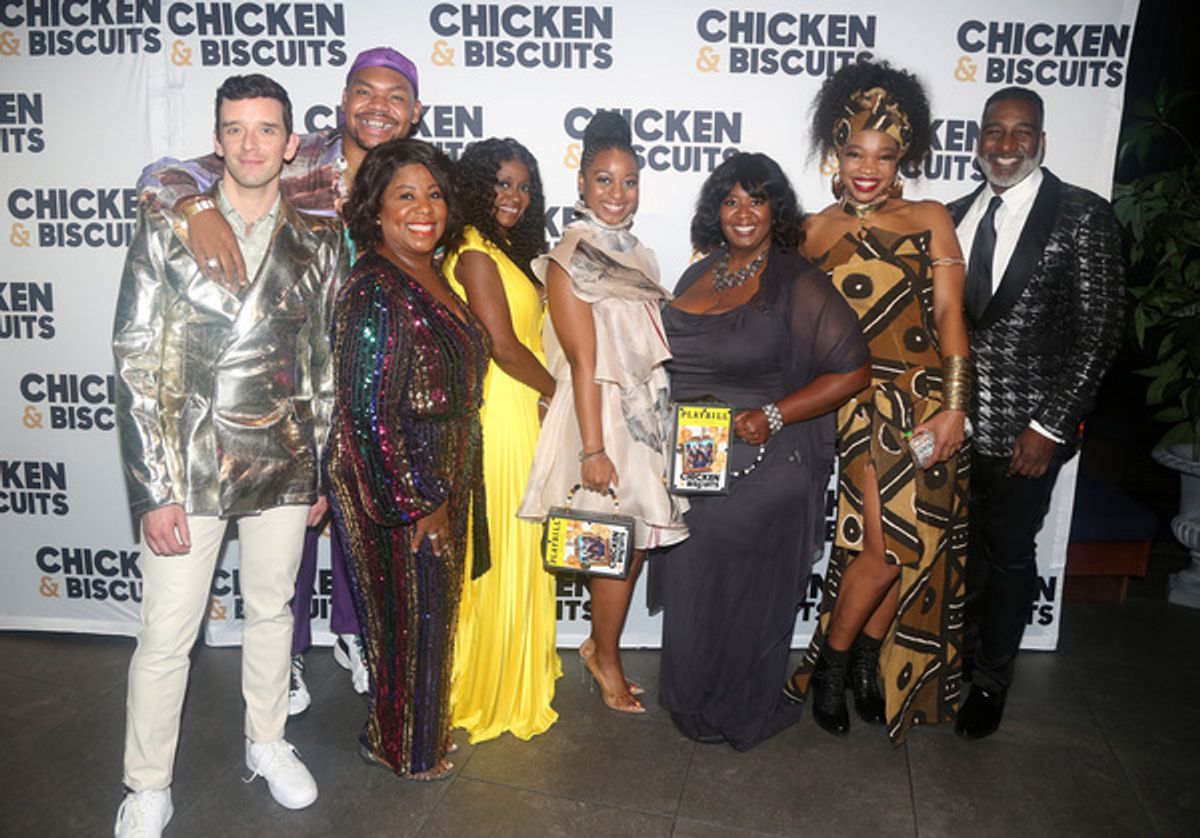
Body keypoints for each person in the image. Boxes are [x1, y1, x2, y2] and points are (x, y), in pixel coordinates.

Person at [138, 46, 425, 712]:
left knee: (367, 515)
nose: (378, 107)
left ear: (416, 111)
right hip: (294, 371)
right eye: (365, 92)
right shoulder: (297, 156)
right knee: (290, 530)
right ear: (343, 100)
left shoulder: (419, 173)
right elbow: (162, 173)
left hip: (382, 372)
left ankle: (356, 635)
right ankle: (288, 658)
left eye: (395, 97)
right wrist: (196, 209)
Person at [111, 74, 346, 837]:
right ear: (216, 141)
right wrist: (153, 490)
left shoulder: (319, 239)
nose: (251, 144)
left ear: (290, 143)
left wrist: (317, 468)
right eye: (236, 129)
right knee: (167, 635)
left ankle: (268, 741)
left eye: (266, 129)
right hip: (188, 462)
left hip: (283, 456)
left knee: (272, 611)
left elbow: (322, 367)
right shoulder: (169, 226)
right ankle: (146, 784)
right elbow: (136, 361)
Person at [650, 153, 870, 748]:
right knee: (696, 581)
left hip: (764, 465)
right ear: (715, 211)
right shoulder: (699, 273)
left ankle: (740, 706)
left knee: (743, 589)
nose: (743, 212)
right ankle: (696, 698)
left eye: (756, 199)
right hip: (696, 462)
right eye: (730, 201)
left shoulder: (795, 280)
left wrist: (774, 415)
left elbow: (853, 371)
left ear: (777, 209)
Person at [784, 60, 972, 745]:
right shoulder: (810, 231)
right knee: (886, 546)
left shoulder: (929, 218)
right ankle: (832, 666)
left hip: (927, 404)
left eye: (885, 155)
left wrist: (955, 406)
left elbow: (949, 315)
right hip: (858, 405)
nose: (868, 169)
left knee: (909, 545)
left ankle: (864, 662)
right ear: (835, 152)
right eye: (856, 153)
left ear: (904, 158)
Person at [947, 87, 1125, 739]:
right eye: (994, 130)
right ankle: (957, 660)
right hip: (953, 428)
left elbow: (1101, 330)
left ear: (1041, 142)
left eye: (1021, 131)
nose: (1005, 144)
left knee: (1009, 558)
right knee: (959, 554)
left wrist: (1050, 425)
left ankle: (990, 681)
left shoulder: (1083, 215)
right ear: (978, 141)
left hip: (1028, 437)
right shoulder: (953, 215)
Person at [327, 139, 491, 780]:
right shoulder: (375, 287)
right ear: (376, 209)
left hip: (444, 465)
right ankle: (401, 747)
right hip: (398, 476)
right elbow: (367, 414)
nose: (424, 209)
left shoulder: (431, 272)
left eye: (434, 195)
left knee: (430, 614)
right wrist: (418, 502)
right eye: (405, 195)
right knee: (407, 618)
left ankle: (413, 733)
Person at [518, 111, 688, 714]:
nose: (617, 194)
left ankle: (599, 644)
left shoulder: (639, 254)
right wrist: (593, 449)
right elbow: (583, 360)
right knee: (613, 543)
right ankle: (606, 658)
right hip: (600, 416)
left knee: (633, 542)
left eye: (629, 181)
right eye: (604, 180)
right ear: (582, 184)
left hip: (642, 413)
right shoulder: (570, 258)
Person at [443, 138, 561, 742]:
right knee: (506, 547)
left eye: (523, 187)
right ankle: (488, 686)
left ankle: (514, 672)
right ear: (475, 185)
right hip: (504, 413)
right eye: (501, 183)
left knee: (523, 543)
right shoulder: (472, 253)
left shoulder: (502, 252)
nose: (514, 196)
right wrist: (561, 397)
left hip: (523, 408)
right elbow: (504, 346)